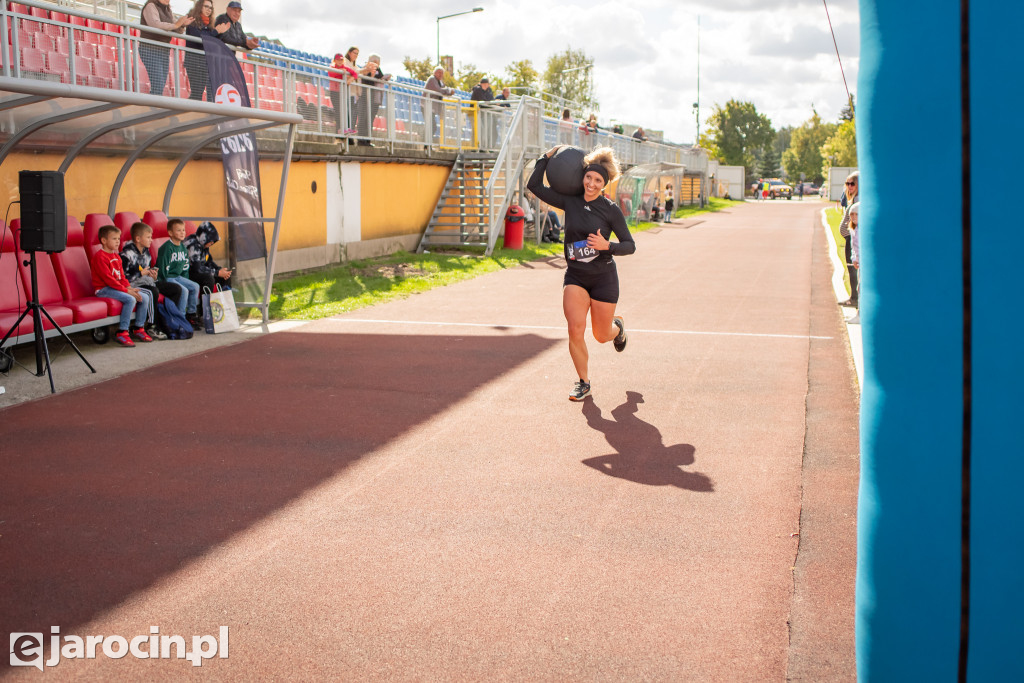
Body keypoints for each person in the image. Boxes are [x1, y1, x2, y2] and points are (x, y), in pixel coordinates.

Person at [528, 145, 636, 402]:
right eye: (589, 177)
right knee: (575, 329)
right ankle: (583, 382)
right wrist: (547, 157)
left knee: (600, 335)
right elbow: (535, 186)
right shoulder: (570, 200)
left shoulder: (610, 209)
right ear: (583, 176)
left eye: (597, 180)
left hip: (603, 277)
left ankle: (616, 328)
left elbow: (630, 245)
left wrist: (606, 246)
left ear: (604, 184)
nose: (591, 183)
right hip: (576, 276)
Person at [121, 221, 186, 340]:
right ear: (138, 238)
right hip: (133, 284)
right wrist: (141, 273)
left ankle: (167, 321)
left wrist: (153, 274)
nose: (151, 240)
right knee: (153, 291)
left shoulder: (146, 252)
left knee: (176, 289)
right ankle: (152, 326)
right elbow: (124, 276)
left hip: (147, 281)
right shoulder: (127, 254)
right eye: (148, 237)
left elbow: (147, 269)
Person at [91, 225, 152, 346]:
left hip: (116, 287)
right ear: (103, 241)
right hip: (103, 289)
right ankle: (122, 332)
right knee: (130, 299)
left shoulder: (116, 256)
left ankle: (139, 328)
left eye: (118, 238)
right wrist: (127, 291)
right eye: (114, 239)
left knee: (144, 297)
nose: (118, 241)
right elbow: (109, 280)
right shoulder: (100, 257)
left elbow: (122, 277)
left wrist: (129, 287)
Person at [139, 0, 193, 96]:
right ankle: (152, 105)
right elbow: (155, 24)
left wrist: (182, 25)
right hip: (150, 48)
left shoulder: (168, 9)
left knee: (161, 84)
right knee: (158, 83)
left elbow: (174, 28)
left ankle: (153, 104)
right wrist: (176, 24)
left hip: (163, 50)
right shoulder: (150, 5)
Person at [157, 219, 202, 328]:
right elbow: (161, 267)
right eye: (179, 230)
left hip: (178, 277)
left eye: (183, 230)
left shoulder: (182, 247)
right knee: (184, 290)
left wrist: (185, 280)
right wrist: (162, 282)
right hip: (168, 277)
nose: (182, 233)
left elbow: (185, 267)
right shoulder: (166, 248)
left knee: (195, 286)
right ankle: (180, 318)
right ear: (170, 233)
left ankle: (191, 315)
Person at [183, 0, 228, 101]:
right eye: (206, 7)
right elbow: (200, 39)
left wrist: (221, 33)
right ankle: (189, 111)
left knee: (212, 92)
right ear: (200, 7)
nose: (209, 10)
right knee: (197, 93)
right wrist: (216, 31)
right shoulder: (192, 20)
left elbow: (213, 41)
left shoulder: (210, 24)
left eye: (211, 8)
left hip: (207, 62)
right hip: (194, 62)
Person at [184, 221, 232, 299]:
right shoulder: (193, 245)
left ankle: (225, 305)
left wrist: (219, 270)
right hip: (188, 273)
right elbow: (197, 268)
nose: (212, 243)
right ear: (204, 238)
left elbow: (209, 261)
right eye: (211, 241)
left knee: (225, 275)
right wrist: (217, 273)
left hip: (197, 271)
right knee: (208, 278)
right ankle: (205, 308)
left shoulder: (204, 245)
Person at [356, 54, 391, 146]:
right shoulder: (366, 68)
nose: (377, 65)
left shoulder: (378, 70)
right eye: (376, 62)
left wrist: (385, 78)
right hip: (364, 97)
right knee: (363, 118)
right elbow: (366, 79)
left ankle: (368, 140)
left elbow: (380, 78)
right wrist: (372, 75)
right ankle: (361, 140)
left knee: (370, 119)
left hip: (374, 98)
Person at [838, 171, 859, 307]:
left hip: (853, 241)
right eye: (847, 183)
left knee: (853, 271)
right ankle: (853, 296)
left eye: (852, 184)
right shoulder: (852, 199)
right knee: (850, 270)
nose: (849, 186)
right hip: (849, 239)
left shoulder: (858, 201)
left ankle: (855, 299)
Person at [329, 52, 358, 134]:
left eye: (341, 60)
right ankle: (339, 129)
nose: (339, 61)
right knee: (338, 111)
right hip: (334, 91)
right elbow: (331, 74)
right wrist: (340, 71)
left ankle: (345, 128)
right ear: (334, 60)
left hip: (342, 92)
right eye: (338, 60)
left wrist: (350, 79)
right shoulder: (332, 67)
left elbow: (355, 74)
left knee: (344, 110)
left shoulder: (345, 67)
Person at [423, 66, 454, 137]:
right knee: (432, 126)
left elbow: (444, 90)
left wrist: (449, 91)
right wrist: (448, 90)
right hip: (426, 106)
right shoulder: (432, 79)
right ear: (434, 73)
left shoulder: (440, 82)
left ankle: (427, 144)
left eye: (442, 73)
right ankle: (425, 143)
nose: (440, 75)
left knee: (432, 126)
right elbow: (438, 90)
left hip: (432, 107)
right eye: (439, 72)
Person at [846, 202, 861, 324]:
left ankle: (861, 314)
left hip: (864, 264)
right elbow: (853, 247)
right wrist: (854, 259)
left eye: (856, 214)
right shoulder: (853, 229)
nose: (854, 217)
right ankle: (859, 313)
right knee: (859, 287)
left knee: (861, 288)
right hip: (859, 263)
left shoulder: (863, 230)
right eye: (852, 214)